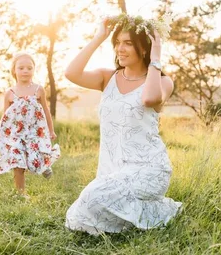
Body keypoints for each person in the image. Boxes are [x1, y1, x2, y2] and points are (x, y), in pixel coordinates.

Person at [64, 14, 181, 235]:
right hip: (112, 171)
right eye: (118, 43)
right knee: (78, 218)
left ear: (144, 48)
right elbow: (71, 73)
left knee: (91, 199)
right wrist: (99, 36)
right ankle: (152, 210)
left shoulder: (163, 81)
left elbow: (149, 99)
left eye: (128, 43)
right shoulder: (107, 78)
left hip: (149, 169)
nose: (120, 48)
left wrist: (156, 57)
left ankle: (158, 210)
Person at [0, 52, 60, 197]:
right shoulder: (10, 93)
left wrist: (51, 130)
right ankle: (21, 193)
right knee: (18, 162)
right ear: (14, 70)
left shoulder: (38, 90)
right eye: (21, 68)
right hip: (17, 134)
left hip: (35, 132)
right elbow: (6, 118)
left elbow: (46, 111)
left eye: (29, 68)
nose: (25, 71)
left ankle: (44, 165)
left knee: (34, 159)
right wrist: (5, 136)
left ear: (34, 70)